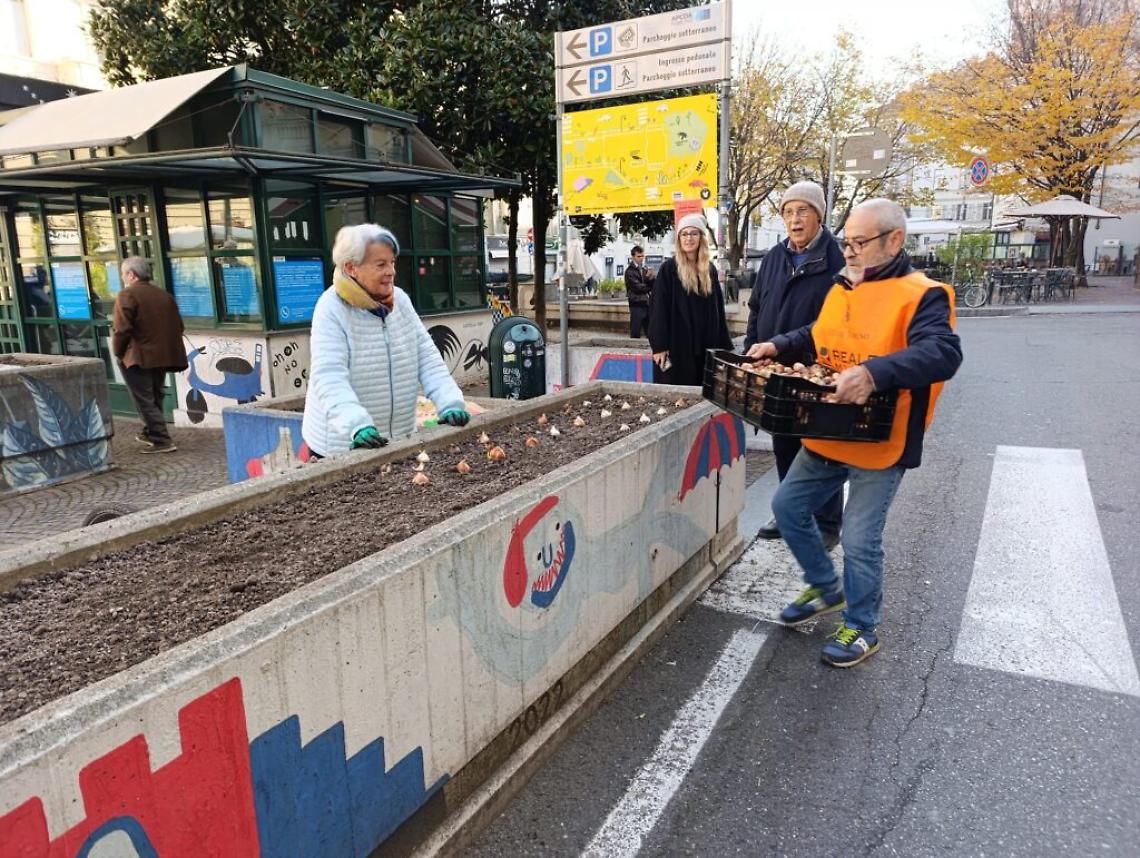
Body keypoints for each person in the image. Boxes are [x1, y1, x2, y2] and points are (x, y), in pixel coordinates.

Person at [750, 199, 962, 667]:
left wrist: (874, 374)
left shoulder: (923, 294)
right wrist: (778, 344)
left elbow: (943, 353)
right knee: (787, 506)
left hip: (881, 439)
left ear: (894, 241)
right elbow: (818, 333)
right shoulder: (843, 286)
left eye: (860, 243)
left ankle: (862, 627)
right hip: (828, 427)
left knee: (861, 539)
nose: (849, 251)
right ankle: (827, 588)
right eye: (846, 242)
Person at [302, 223, 469, 458]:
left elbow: (427, 357)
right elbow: (329, 376)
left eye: (392, 262)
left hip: (398, 440)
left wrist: (450, 401)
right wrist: (356, 425)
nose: (391, 271)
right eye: (381, 264)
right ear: (351, 268)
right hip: (343, 446)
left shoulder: (400, 300)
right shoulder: (331, 307)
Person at [744, 181, 846, 547]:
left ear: (819, 215)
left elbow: (830, 324)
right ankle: (792, 513)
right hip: (775, 369)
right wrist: (750, 348)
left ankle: (827, 523)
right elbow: (756, 307)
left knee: (821, 446)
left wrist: (780, 344)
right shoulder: (774, 257)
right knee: (784, 444)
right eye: (788, 212)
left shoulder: (837, 259)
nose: (794, 219)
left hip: (816, 369)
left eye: (802, 210)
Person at [112, 256, 188, 454]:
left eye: (123, 273)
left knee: (144, 398)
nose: (123, 277)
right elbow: (179, 326)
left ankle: (161, 439)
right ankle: (149, 431)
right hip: (161, 356)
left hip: (137, 356)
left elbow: (122, 330)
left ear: (131, 274)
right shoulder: (164, 295)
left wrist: (118, 353)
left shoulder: (127, 295)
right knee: (155, 395)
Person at [647, 213, 733, 386]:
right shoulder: (669, 269)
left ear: (701, 237)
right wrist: (659, 346)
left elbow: (718, 311)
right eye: (684, 234)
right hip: (677, 345)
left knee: (702, 395)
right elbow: (658, 309)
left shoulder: (709, 270)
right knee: (676, 397)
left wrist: (724, 348)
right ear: (678, 238)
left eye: (694, 233)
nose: (689, 238)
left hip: (704, 345)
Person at [625, 245, 655, 338]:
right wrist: (649, 286)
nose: (641, 258)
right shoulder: (629, 271)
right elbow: (637, 287)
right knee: (635, 330)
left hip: (646, 303)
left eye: (642, 256)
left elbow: (653, 285)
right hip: (636, 303)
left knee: (650, 330)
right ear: (633, 257)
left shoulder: (644, 268)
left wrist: (651, 278)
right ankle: (633, 351)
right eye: (639, 256)